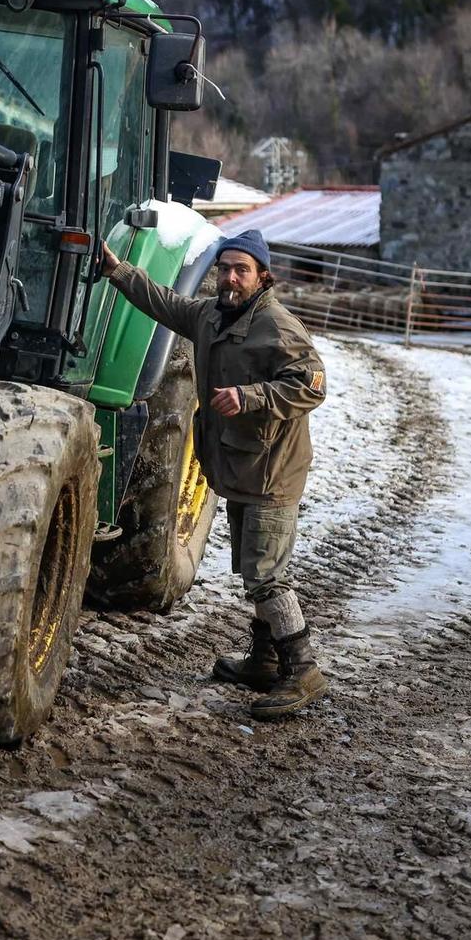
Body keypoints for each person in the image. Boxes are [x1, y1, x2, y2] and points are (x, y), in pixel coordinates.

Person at [99, 228, 329, 719]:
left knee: (266, 577)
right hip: (242, 465)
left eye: (240, 269)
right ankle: (265, 660)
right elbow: (165, 304)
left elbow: (311, 387)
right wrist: (118, 271)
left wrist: (250, 397)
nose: (229, 277)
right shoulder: (211, 315)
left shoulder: (277, 326)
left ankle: (301, 669)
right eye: (224, 268)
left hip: (272, 472)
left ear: (262, 276)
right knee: (255, 569)